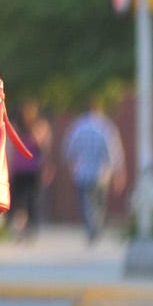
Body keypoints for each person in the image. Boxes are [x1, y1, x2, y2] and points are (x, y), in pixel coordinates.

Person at [63, 100, 126, 244]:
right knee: (100, 203)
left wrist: (72, 166)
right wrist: (118, 172)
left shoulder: (77, 127)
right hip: (102, 173)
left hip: (82, 172)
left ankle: (91, 227)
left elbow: (69, 149)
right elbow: (113, 151)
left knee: (85, 203)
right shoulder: (106, 127)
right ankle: (97, 226)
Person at [10, 100, 55, 242]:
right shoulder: (40, 127)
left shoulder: (16, 127)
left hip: (19, 169)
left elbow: (9, 149)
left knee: (20, 201)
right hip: (33, 169)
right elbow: (46, 149)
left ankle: (20, 228)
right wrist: (48, 167)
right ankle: (29, 228)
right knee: (31, 200)